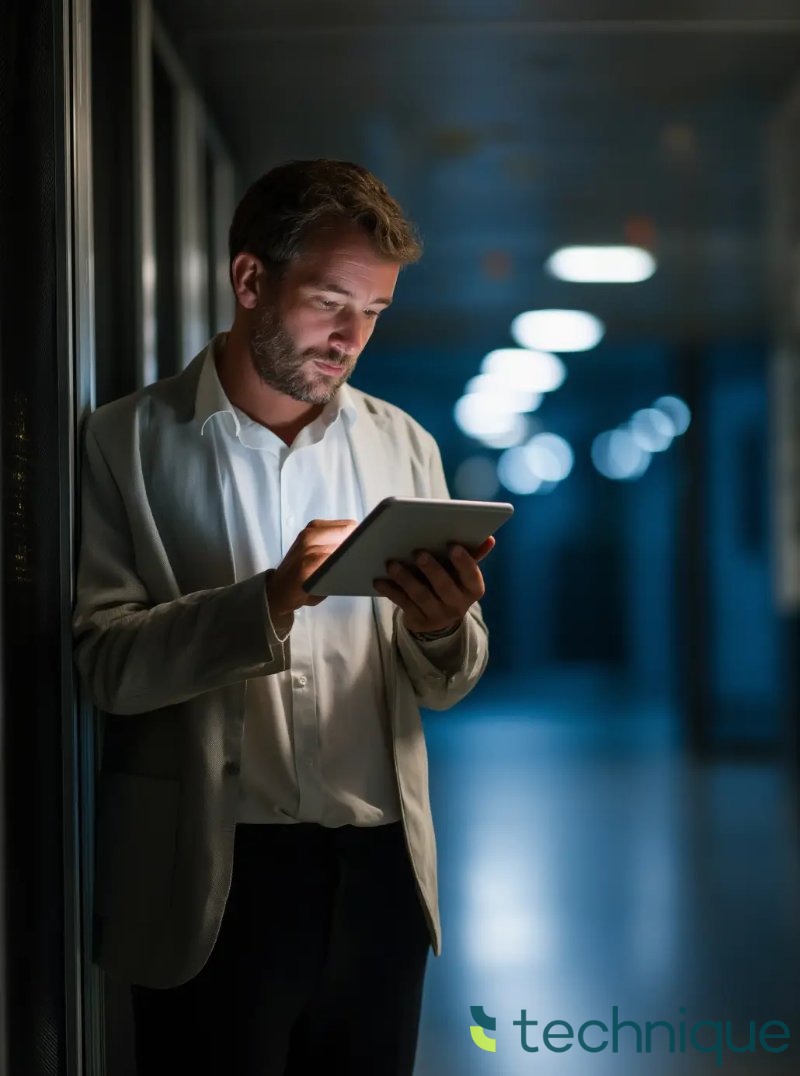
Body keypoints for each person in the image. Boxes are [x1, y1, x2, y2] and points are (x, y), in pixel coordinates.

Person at [73, 159, 493, 1075]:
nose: (351, 337)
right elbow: (102, 664)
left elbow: (448, 681)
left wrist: (439, 628)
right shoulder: (123, 445)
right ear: (251, 280)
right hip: (215, 881)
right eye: (331, 300)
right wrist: (267, 600)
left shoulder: (405, 442)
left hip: (380, 878)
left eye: (375, 311)